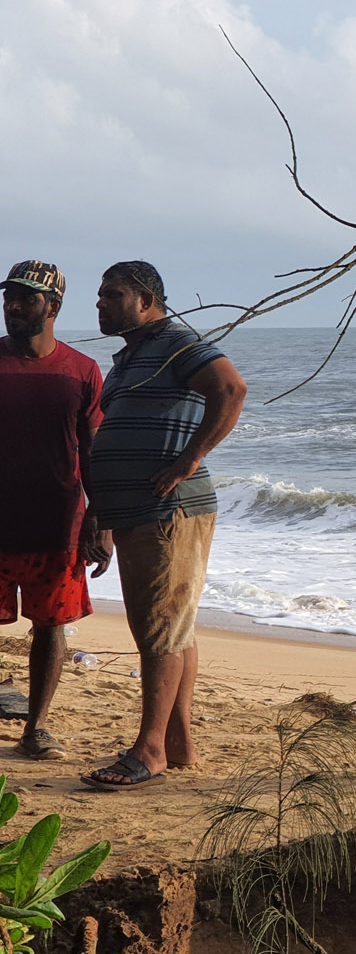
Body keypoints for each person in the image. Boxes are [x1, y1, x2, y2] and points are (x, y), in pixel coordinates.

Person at [83, 261, 246, 791]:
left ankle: (149, 750)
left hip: (169, 510)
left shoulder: (177, 341)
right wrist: (100, 514)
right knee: (173, 626)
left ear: (147, 301)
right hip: (135, 512)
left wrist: (189, 459)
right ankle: (177, 744)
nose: (101, 303)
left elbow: (231, 389)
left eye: (113, 294)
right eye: (101, 295)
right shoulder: (131, 357)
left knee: (158, 628)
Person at [0, 261, 109, 761]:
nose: (13, 308)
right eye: (9, 298)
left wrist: (99, 521)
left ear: (54, 307)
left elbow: (94, 453)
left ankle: (35, 728)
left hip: (57, 525)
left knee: (50, 627)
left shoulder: (81, 371)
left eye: (26, 299)